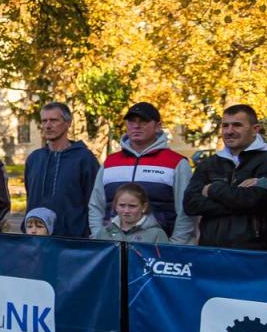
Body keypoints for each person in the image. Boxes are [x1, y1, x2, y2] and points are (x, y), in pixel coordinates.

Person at [88, 102, 194, 244]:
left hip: (159, 250)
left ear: (157, 126)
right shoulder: (110, 162)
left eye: (143, 121)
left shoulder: (177, 163)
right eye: (131, 121)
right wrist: (98, 237)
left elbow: (186, 210)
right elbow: (96, 205)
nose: (136, 126)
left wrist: (175, 245)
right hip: (112, 248)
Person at [183, 105, 267, 250]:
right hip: (211, 251)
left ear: (255, 129)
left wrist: (213, 189)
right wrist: (239, 199)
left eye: (237, 125)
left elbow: (255, 199)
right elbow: (190, 204)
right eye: (225, 126)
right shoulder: (208, 164)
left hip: (254, 253)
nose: (229, 131)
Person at [23, 102, 99, 238]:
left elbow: (95, 202)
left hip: (72, 240)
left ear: (68, 123)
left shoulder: (84, 159)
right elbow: (30, 197)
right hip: (36, 239)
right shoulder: (34, 159)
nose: (48, 125)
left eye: (54, 120)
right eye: (44, 121)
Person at [92, 183, 168, 243]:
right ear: (115, 206)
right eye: (122, 205)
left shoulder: (156, 234)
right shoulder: (104, 232)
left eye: (132, 206)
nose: (126, 211)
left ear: (144, 207)